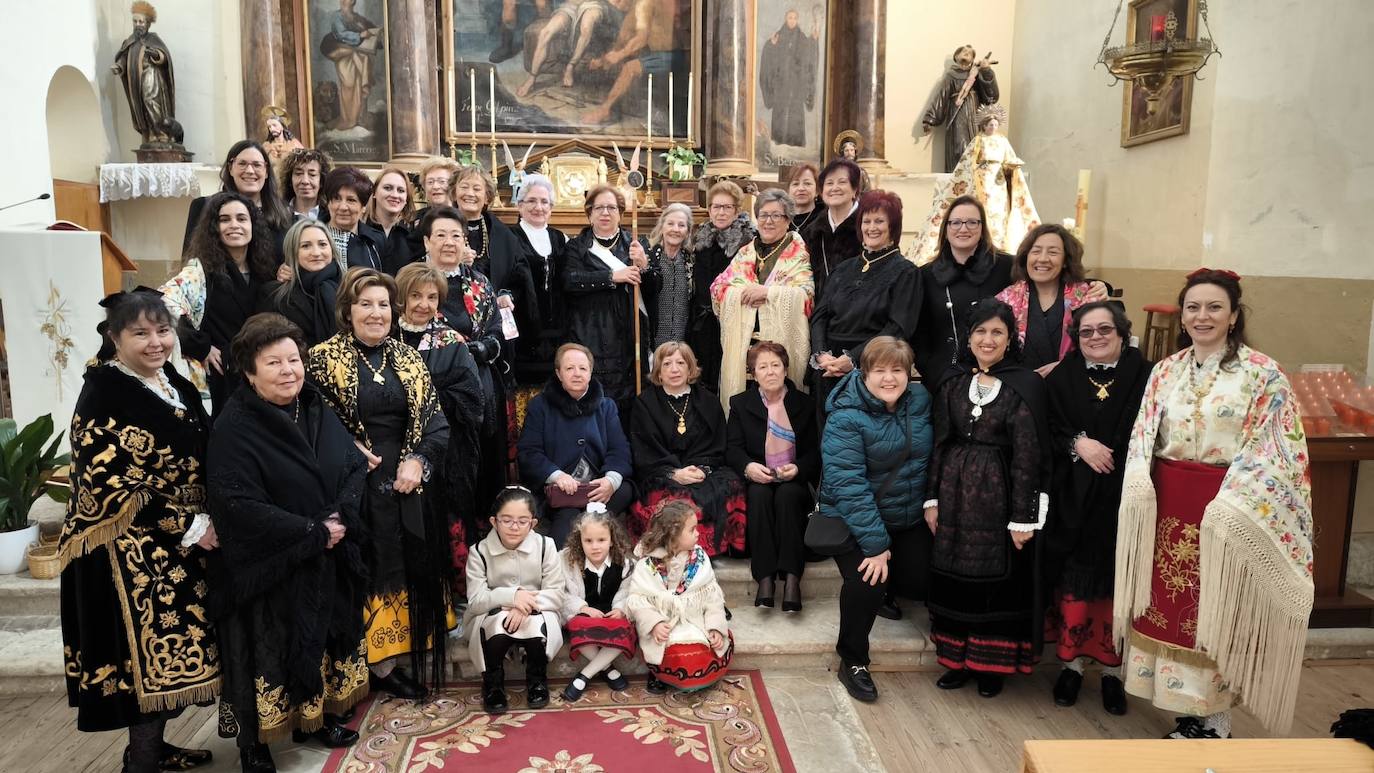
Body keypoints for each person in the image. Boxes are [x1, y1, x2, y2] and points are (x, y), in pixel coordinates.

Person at [1114, 269, 1312, 738]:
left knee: (1217, 609)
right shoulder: (1165, 370)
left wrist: (1229, 505)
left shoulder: (1263, 373)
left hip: (1227, 507)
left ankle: (1216, 720)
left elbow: (1277, 448)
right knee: (1171, 611)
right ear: (1182, 315)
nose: (1202, 317)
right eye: (1193, 307)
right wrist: (1140, 484)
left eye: (1214, 307)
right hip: (1168, 506)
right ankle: (1188, 712)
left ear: (1234, 315)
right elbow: (1143, 435)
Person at [57, 289, 219, 773]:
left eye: (163, 331)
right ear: (114, 337)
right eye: (141, 334)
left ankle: (154, 750)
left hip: (182, 542)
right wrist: (187, 523)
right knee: (140, 668)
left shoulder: (169, 378)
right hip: (128, 551)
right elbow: (106, 480)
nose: (156, 343)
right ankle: (142, 762)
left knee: (175, 659)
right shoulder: (104, 390)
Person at [208, 314, 368, 771]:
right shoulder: (235, 425)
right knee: (267, 651)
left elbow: (352, 467)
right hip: (269, 564)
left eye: (294, 359)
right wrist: (312, 533)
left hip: (325, 551)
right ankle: (254, 745)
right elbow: (237, 503)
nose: (288, 371)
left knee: (321, 640)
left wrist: (337, 519)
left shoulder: (315, 405)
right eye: (273, 362)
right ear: (249, 371)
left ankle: (313, 722)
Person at [307, 268, 452, 700]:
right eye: (365, 304)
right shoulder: (321, 358)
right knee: (368, 569)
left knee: (404, 564)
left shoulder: (408, 357)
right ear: (347, 311)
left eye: (384, 305)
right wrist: (348, 447)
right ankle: (371, 662)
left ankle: (395, 658)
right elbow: (309, 423)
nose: (376, 313)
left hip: (408, 482)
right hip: (352, 485)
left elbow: (436, 422)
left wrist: (419, 460)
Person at [925, 299, 1051, 699]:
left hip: (1000, 499)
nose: (987, 339)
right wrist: (931, 498)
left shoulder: (1025, 384)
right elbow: (939, 442)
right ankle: (957, 661)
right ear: (968, 336)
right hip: (953, 493)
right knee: (953, 577)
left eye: (997, 332)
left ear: (1010, 338)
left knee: (995, 583)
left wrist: (1022, 518)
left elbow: (1030, 453)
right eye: (980, 331)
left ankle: (990, 666)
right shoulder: (952, 380)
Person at [1042, 302, 1150, 716]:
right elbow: (1047, 428)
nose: (1096, 337)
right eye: (1086, 332)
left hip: (1127, 497)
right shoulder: (1062, 376)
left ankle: (1113, 674)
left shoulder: (1148, 375)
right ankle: (1071, 665)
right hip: (1075, 497)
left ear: (1122, 333)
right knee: (1076, 581)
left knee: (1118, 584)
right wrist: (1077, 444)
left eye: (1105, 329)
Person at [815, 337, 932, 703]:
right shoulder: (845, 417)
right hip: (854, 517)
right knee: (868, 579)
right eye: (879, 370)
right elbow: (849, 486)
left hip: (907, 513)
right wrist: (877, 545)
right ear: (864, 373)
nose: (889, 378)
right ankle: (852, 659)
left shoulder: (921, 401)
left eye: (897, 369)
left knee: (933, 570)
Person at [394, 263, 485, 594]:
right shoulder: (386, 336)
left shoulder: (452, 341)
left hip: (448, 451)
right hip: (394, 448)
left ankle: (450, 598)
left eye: (432, 297)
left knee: (446, 526)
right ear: (401, 297)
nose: (423, 304)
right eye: (415, 296)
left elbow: (473, 400)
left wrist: (425, 394)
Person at [420, 205, 513, 518]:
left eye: (456, 236)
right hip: (435, 391)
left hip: (482, 386)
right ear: (426, 242)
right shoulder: (413, 285)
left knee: (485, 469)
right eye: (441, 235)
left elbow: (497, 335)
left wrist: (469, 351)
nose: (449, 242)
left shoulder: (480, 283)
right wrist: (465, 351)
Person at [161, 190, 277, 416]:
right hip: (220, 377)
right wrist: (201, 346)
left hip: (258, 372)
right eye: (225, 219)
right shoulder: (200, 270)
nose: (234, 225)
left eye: (242, 219)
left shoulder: (264, 269)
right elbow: (164, 304)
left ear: (253, 225)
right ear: (214, 228)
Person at [809, 190, 919, 422]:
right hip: (828, 369)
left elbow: (898, 327)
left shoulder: (906, 272)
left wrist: (854, 359)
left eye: (879, 221)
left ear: (893, 227)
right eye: (866, 221)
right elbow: (820, 315)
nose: (872, 227)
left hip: (873, 369)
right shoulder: (843, 268)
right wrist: (821, 354)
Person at [726, 341, 820, 611]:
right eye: (762, 367)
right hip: (760, 477)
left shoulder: (804, 403)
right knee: (758, 494)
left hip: (794, 479)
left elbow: (816, 451)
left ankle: (792, 578)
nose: (770, 372)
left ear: (786, 369)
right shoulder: (741, 404)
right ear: (753, 373)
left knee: (789, 495)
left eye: (775, 365)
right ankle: (765, 578)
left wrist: (799, 468)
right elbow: (732, 448)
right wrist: (748, 467)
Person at [629, 341, 745, 556]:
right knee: (675, 497)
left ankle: (707, 550)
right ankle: (670, 550)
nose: (674, 369)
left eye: (681, 363)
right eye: (667, 364)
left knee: (729, 485)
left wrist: (702, 468)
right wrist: (674, 472)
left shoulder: (709, 401)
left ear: (690, 368)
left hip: (703, 470)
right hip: (661, 472)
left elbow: (717, 444)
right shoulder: (644, 403)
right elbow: (645, 449)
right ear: (658, 372)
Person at [517, 343, 635, 546]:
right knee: (564, 525)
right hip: (562, 492)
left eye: (583, 368)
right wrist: (557, 475)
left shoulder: (606, 406)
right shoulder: (541, 406)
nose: (577, 373)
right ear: (558, 373)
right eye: (569, 368)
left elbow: (619, 449)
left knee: (623, 490)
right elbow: (529, 452)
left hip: (598, 490)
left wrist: (610, 481)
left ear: (590, 372)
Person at [562, 184, 659, 420]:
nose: (605, 213)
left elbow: (655, 289)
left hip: (629, 331)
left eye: (611, 208)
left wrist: (644, 266)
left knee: (630, 398)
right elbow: (569, 281)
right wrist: (611, 276)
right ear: (590, 213)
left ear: (621, 213)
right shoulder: (577, 246)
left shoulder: (636, 244)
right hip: (591, 330)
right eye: (599, 208)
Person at [710, 189, 814, 408]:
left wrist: (768, 293)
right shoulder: (746, 252)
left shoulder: (798, 252)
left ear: (788, 220)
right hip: (745, 352)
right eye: (764, 215)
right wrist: (743, 293)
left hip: (779, 352)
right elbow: (718, 288)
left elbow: (807, 295)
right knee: (746, 409)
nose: (768, 221)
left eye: (776, 215)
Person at [465, 487, 565, 714]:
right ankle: (493, 683)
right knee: (496, 625)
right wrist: (511, 597)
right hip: (492, 611)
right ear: (493, 521)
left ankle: (537, 679)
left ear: (533, 523)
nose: (514, 527)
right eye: (506, 520)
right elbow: (476, 600)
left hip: (538, 608)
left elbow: (557, 594)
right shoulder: (479, 551)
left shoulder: (545, 546)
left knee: (536, 625)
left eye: (522, 521)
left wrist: (524, 605)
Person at [912, 103, 1040, 264]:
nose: (993, 127)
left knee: (999, 212)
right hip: (983, 180)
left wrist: (1010, 167)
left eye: (995, 125)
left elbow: (1009, 159)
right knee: (982, 210)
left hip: (999, 181)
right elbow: (969, 163)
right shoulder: (978, 140)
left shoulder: (1003, 141)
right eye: (990, 125)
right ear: (984, 125)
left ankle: (998, 243)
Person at [626, 500, 732, 692]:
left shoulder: (699, 559)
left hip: (694, 618)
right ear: (673, 536)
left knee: (705, 649)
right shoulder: (647, 564)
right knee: (662, 646)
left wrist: (715, 627)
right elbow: (638, 601)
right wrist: (655, 623)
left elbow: (712, 598)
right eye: (692, 530)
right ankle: (657, 673)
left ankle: (699, 675)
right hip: (664, 621)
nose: (698, 533)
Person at [557, 504, 637, 701]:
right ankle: (608, 669)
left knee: (625, 628)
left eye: (601, 540)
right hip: (584, 614)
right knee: (576, 624)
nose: (595, 546)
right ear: (579, 541)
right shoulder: (567, 560)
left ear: (611, 540)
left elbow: (628, 591)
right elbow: (560, 592)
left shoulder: (624, 564)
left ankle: (584, 675)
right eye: (588, 540)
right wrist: (583, 608)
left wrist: (620, 609)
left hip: (611, 615)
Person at [995, 224, 1096, 375]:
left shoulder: (1086, 297)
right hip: (1018, 387)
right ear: (1026, 257)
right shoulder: (1007, 298)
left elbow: (1101, 346)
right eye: (1035, 251)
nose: (1042, 259)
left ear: (1066, 261)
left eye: (1053, 252)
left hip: (1070, 385)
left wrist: (1066, 366)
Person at [450, 165, 538, 332]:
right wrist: (453, 262)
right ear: (454, 193)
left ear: (487, 198)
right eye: (464, 187)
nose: (470, 193)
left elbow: (519, 274)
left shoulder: (503, 234)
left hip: (493, 319)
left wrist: (507, 293)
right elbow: (422, 267)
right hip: (452, 317)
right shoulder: (439, 226)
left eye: (477, 189)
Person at [686, 180, 755, 390]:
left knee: (726, 376)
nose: (721, 212)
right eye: (716, 206)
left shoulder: (748, 240)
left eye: (727, 207)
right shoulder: (699, 238)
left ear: (737, 210)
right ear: (709, 209)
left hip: (731, 319)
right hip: (701, 320)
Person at [183, 140, 293, 259]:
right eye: (242, 164)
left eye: (257, 165)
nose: (250, 171)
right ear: (230, 168)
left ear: (266, 171)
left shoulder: (284, 211)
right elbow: (190, 262)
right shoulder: (203, 206)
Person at [511, 173, 569, 385]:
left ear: (551, 208)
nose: (538, 207)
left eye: (544, 202)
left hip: (558, 329)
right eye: (532, 201)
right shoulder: (509, 237)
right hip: (523, 329)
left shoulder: (560, 238)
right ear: (520, 206)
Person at [258, 218, 343, 349]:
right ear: (293, 252)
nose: (316, 253)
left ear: (332, 249)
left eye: (322, 244)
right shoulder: (273, 295)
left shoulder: (349, 290)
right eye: (305, 246)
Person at [917, 45, 999, 173]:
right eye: (963, 51)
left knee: (975, 147)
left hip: (974, 114)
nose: (966, 53)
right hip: (957, 114)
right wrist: (930, 119)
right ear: (956, 56)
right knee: (959, 146)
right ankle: (958, 181)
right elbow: (942, 96)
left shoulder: (977, 73)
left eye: (969, 53)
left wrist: (986, 70)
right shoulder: (951, 75)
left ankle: (975, 179)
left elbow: (991, 97)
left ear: (973, 59)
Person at [112, 2, 176, 147]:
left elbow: (164, 57)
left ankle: (161, 133)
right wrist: (118, 66)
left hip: (152, 77)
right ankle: (149, 135)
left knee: (152, 102)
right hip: (136, 81)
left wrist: (155, 54)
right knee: (141, 106)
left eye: (141, 21)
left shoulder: (153, 39)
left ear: (147, 24)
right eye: (135, 21)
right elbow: (124, 57)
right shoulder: (130, 41)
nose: (138, 24)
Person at [799, 159, 862, 302]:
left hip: (859, 316)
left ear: (855, 189)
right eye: (829, 183)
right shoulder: (811, 232)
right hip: (818, 316)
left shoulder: (868, 228)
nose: (835, 188)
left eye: (842, 182)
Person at [759, 8, 819, 147]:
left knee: (795, 116)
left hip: (796, 87)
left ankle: (796, 146)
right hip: (781, 86)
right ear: (786, 19)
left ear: (797, 20)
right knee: (780, 115)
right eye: (789, 18)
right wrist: (771, 46)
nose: (792, 20)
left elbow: (809, 54)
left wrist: (814, 41)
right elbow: (769, 55)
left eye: (794, 18)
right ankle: (779, 143)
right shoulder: (778, 36)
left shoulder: (802, 38)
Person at [323, 0, 381, 131]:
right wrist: (360, 35)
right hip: (344, 57)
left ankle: (361, 117)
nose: (346, 2)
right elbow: (340, 34)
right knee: (348, 86)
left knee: (360, 86)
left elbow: (367, 28)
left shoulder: (356, 17)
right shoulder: (337, 17)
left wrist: (375, 33)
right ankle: (347, 119)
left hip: (359, 56)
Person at [646, 202, 694, 350]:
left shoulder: (691, 260)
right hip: (652, 339)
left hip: (683, 340)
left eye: (681, 225)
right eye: (670, 224)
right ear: (662, 227)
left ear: (688, 231)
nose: (675, 229)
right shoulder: (649, 256)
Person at [320, 166, 385, 271]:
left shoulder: (375, 240)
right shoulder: (311, 235)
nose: (343, 207)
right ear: (328, 203)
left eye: (351, 200)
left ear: (363, 207)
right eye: (337, 198)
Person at [364, 166, 419, 274]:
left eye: (401, 190)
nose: (394, 195)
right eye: (387, 188)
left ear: (406, 198)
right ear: (374, 192)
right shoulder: (359, 231)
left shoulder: (414, 235)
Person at [280, 147, 331, 221]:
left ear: (321, 181)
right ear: (290, 179)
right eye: (298, 174)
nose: (305, 181)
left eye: (312, 174)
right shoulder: (278, 215)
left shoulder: (330, 216)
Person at [786, 163, 821, 232]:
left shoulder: (825, 219)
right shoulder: (781, 217)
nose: (801, 188)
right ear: (788, 190)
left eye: (807, 183)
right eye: (796, 184)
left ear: (817, 190)